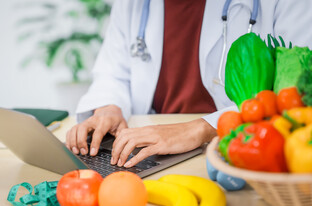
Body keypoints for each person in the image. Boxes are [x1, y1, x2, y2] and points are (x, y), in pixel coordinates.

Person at [66, 0, 312, 168]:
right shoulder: (133, 4)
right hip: (151, 149)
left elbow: (299, 88)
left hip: (239, 148)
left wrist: (202, 128)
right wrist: (108, 108)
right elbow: (113, 72)